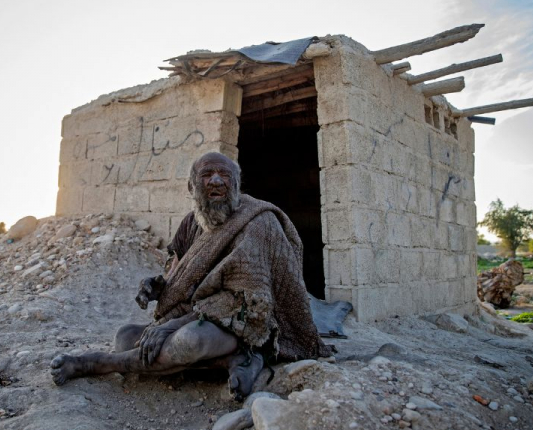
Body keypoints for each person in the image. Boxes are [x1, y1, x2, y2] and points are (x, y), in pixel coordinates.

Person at [50, 152, 332, 399]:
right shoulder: (191, 222)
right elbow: (178, 273)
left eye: (224, 175)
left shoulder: (257, 222)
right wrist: (155, 286)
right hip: (197, 318)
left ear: (236, 183)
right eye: (207, 174)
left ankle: (99, 364)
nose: (216, 181)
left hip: (243, 326)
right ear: (192, 185)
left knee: (191, 341)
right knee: (125, 336)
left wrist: (169, 327)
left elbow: (248, 305)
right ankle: (235, 361)